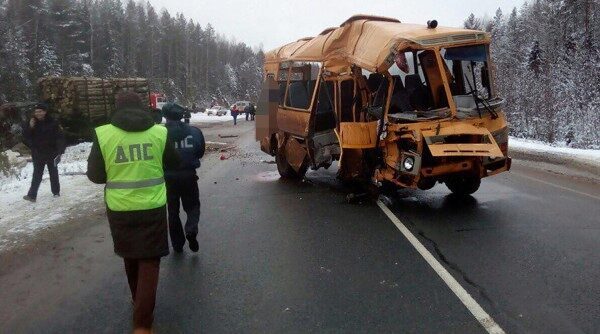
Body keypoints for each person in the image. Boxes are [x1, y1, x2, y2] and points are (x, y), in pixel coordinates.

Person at [86, 92, 180, 334]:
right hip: (152, 206)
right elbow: (174, 162)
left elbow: (96, 176)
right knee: (149, 259)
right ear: (143, 109)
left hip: (120, 208)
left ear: (116, 109)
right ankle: (142, 325)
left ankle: (137, 301)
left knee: (130, 254)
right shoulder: (159, 132)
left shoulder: (104, 133)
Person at [162, 103, 205, 253]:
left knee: (172, 211)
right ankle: (191, 230)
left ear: (165, 116)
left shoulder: (159, 134)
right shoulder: (194, 132)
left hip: (167, 178)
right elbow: (200, 152)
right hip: (189, 176)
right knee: (193, 207)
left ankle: (177, 244)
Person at [22, 102, 65, 202]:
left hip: (51, 152)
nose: (37, 113)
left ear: (45, 112)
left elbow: (60, 137)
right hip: (38, 153)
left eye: (40, 111)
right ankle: (32, 195)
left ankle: (56, 192)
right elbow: (26, 137)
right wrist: (30, 127)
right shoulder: (32, 122)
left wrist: (59, 151)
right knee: (37, 174)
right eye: (36, 111)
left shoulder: (53, 122)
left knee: (53, 173)